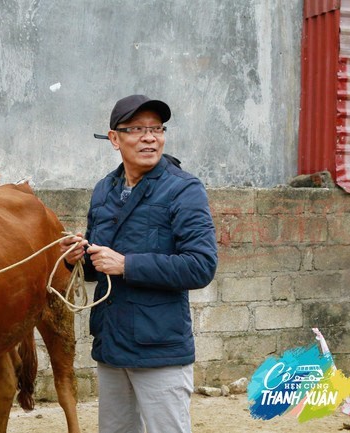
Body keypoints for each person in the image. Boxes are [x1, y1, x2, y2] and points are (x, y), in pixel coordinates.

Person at [60, 94, 218, 433]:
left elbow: (201, 265)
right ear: (114, 138)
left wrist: (127, 265)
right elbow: (98, 267)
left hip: (159, 349)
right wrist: (78, 259)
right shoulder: (105, 190)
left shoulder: (184, 190)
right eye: (137, 129)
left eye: (157, 129)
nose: (150, 137)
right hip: (112, 345)